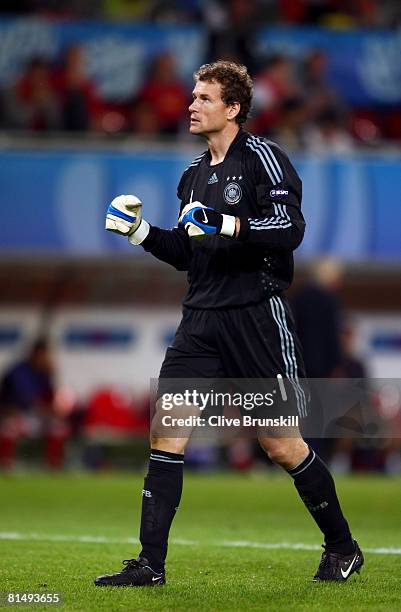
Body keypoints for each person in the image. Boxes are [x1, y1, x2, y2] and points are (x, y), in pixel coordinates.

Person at [95, 60, 363, 587]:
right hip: (200, 318)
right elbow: (187, 252)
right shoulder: (192, 175)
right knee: (166, 430)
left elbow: (289, 229)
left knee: (281, 444)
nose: (191, 104)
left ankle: (343, 546)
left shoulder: (264, 158)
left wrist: (227, 222)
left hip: (254, 316)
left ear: (233, 107)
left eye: (203, 97)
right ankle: (150, 565)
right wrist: (142, 231)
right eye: (192, 96)